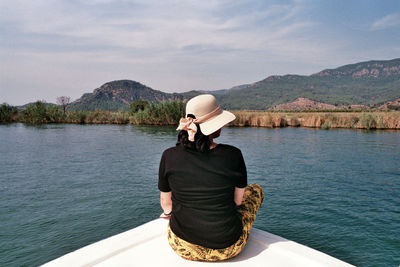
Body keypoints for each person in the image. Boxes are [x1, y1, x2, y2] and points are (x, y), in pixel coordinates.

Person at [158, 94, 263, 262]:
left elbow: (166, 205)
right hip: (227, 248)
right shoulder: (233, 155)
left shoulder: (168, 156)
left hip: (183, 246)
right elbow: (237, 202)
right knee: (256, 190)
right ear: (212, 126)